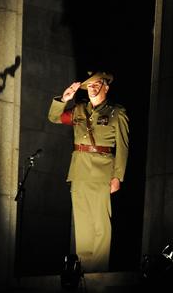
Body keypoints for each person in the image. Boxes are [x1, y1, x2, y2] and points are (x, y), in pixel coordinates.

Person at [48, 71, 129, 272]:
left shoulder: (116, 113)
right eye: (89, 84)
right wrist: (64, 99)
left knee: (100, 225)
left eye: (97, 84)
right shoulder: (79, 109)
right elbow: (54, 117)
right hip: (79, 171)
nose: (92, 87)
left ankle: (98, 271)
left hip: (102, 172)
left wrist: (117, 176)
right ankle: (84, 270)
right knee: (83, 225)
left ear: (106, 86)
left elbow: (123, 147)